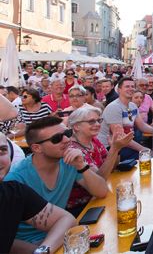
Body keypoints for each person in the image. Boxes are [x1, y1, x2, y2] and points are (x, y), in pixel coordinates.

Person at [4, 115, 108, 248]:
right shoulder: (15, 180)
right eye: (57, 138)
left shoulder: (69, 161)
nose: (66, 140)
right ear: (37, 148)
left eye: (67, 133)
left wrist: (82, 165)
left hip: (61, 232)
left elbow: (102, 191)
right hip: (28, 243)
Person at [0, 130, 77, 254]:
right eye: (57, 137)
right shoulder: (17, 176)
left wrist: (42, 251)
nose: (66, 140)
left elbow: (66, 219)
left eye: (2, 150)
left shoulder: (13, 192)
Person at [66, 105, 133, 211]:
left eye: (98, 120)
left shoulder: (94, 141)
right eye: (91, 121)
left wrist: (117, 148)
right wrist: (114, 149)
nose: (97, 124)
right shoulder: (73, 149)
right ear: (76, 126)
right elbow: (100, 179)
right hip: (82, 208)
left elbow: (111, 166)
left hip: (98, 199)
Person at [97, 76, 153, 161]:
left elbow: (141, 125)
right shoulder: (114, 107)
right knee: (151, 157)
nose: (130, 89)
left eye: (132, 86)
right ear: (119, 90)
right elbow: (120, 137)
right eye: (127, 86)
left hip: (124, 144)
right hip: (110, 148)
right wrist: (143, 149)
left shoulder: (133, 106)